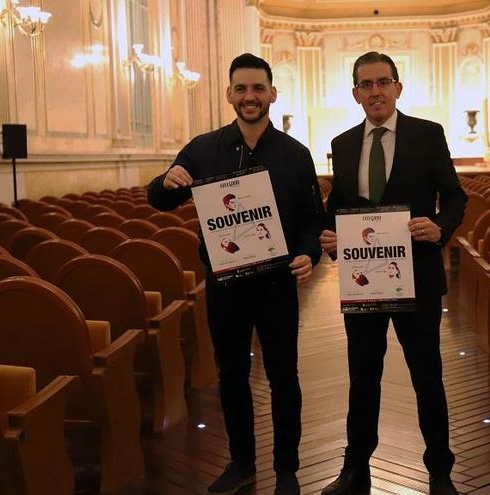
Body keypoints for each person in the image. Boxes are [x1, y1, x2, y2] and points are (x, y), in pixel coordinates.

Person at [147, 53, 324, 495]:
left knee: (285, 377)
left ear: (272, 94)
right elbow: (160, 198)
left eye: (258, 88)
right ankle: (242, 462)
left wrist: (309, 254)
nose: (250, 97)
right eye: (241, 89)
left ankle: (287, 468)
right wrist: (165, 181)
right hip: (225, 286)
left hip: (276, 284)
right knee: (231, 375)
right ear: (229, 94)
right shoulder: (203, 149)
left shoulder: (295, 154)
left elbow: (311, 219)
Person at [319, 52, 468, 495]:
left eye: (383, 82)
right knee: (363, 376)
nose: (375, 91)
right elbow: (339, 207)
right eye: (366, 84)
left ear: (398, 88)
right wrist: (328, 234)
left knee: (427, 377)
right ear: (355, 94)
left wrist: (439, 226)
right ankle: (355, 470)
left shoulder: (427, 134)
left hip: (417, 276)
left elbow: (456, 198)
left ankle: (440, 473)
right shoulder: (343, 143)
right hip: (364, 278)